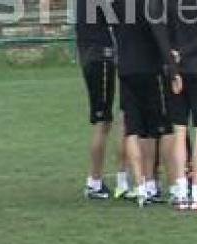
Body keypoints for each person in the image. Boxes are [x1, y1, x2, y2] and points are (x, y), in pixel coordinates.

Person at [112, 0, 182, 207]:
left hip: (126, 70)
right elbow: (159, 34)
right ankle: (176, 186)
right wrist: (173, 70)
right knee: (164, 128)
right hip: (150, 68)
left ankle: (144, 186)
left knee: (136, 131)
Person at [167, 0, 197, 211]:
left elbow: (165, 35)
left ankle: (181, 192)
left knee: (179, 131)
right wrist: (186, 51)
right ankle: (196, 194)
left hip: (177, 71)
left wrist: (175, 58)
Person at [76, 0, 118, 199]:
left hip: (92, 54)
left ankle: (95, 180)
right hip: (99, 56)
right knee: (103, 121)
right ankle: (94, 181)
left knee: (104, 121)